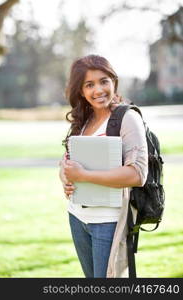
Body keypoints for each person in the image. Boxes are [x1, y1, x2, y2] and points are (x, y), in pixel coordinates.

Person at [59, 54, 148, 278]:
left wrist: (84, 175)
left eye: (104, 81)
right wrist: (66, 178)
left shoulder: (127, 118)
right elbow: (67, 161)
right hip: (77, 217)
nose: (98, 90)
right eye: (89, 84)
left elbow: (138, 174)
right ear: (80, 90)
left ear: (114, 82)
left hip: (107, 222)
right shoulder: (84, 120)